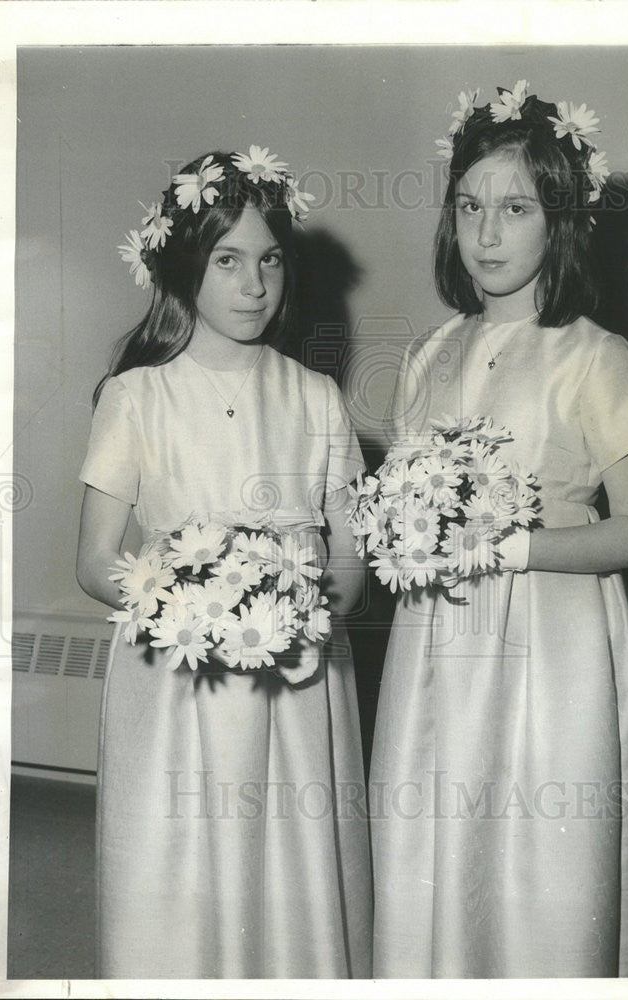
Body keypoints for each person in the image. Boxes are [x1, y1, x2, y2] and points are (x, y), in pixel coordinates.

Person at [369, 81, 628, 978]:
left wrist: (512, 546)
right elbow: (404, 497)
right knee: (436, 834)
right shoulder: (429, 351)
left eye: (515, 209)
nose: (487, 234)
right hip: (440, 641)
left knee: (543, 851)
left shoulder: (594, 354)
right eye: (469, 207)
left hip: (555, 645)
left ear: (560, 222)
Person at [76, 146, 372, 978]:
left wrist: (305, 612)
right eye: (228, 261)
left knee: (292, 856)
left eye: (269, 261)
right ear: (183, 269)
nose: (253, 285)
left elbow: (351, 555)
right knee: (180, 860)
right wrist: (192, 607)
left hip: (300, 671)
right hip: (178, 677)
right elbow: (97, 560)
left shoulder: (315, 398)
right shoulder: (137, 396)